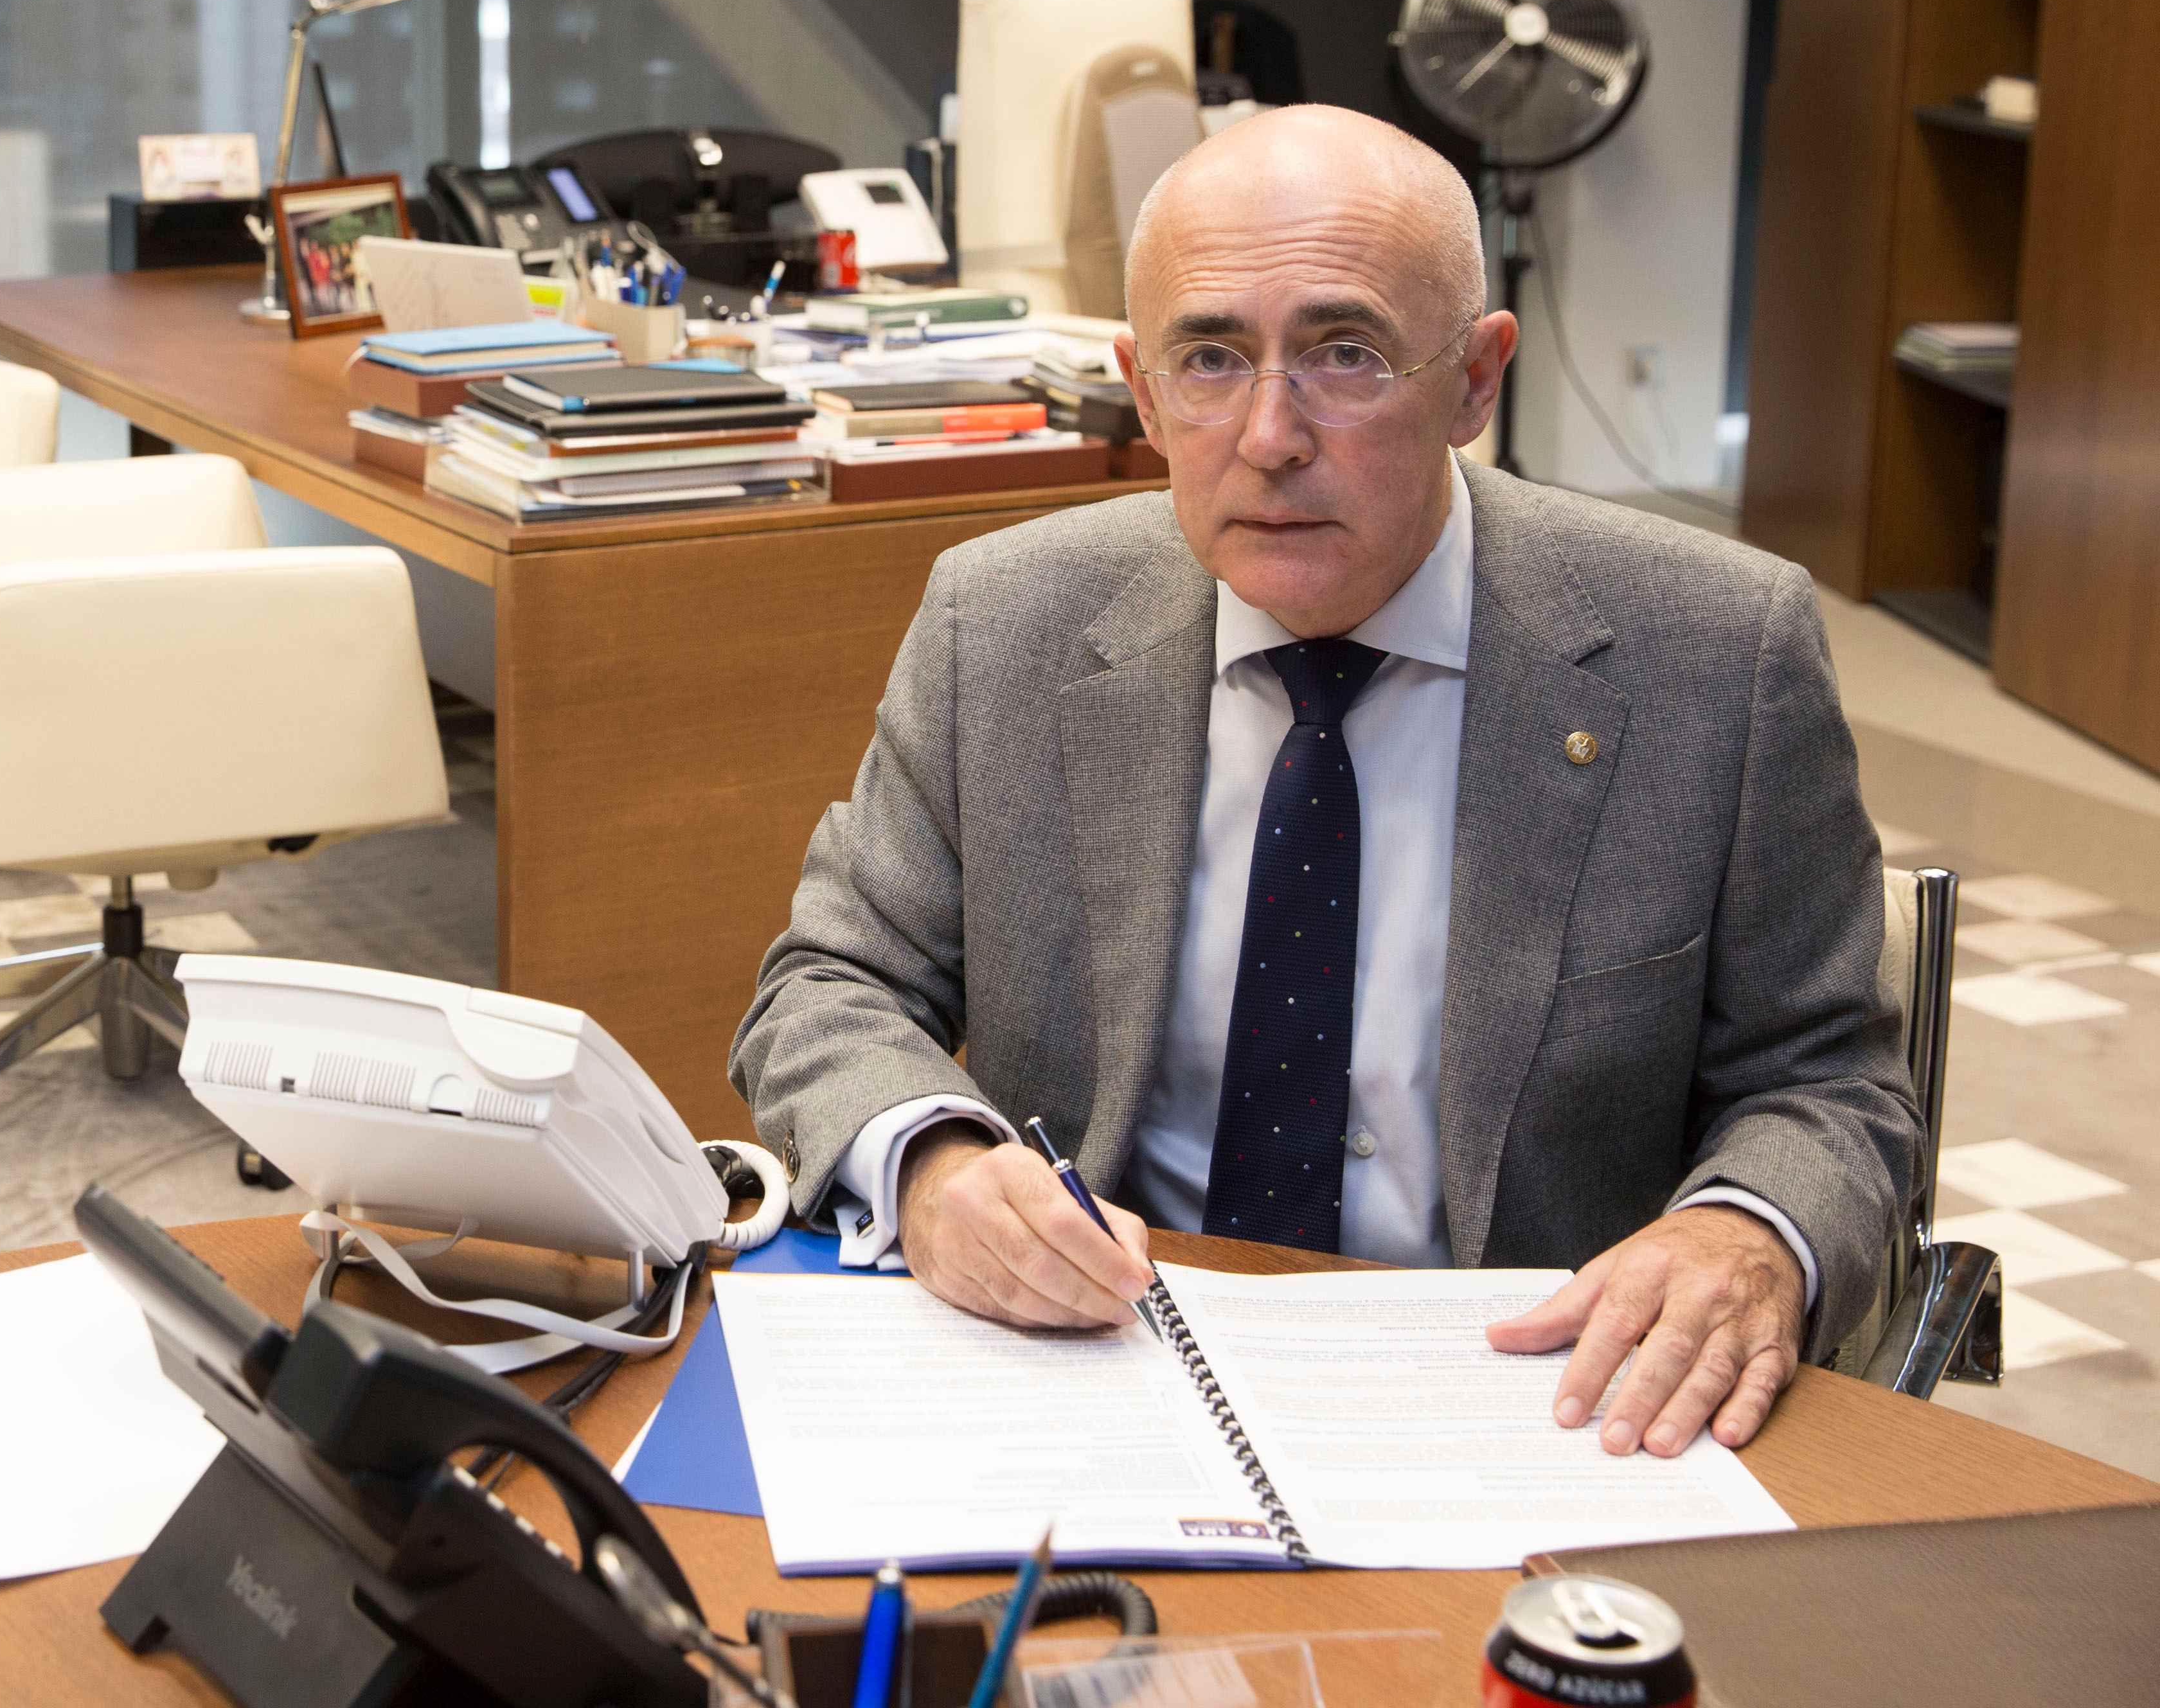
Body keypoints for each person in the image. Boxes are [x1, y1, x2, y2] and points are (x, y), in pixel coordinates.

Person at [733, 106, 1914, 1463]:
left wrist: (1744, 1234)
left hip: (1543, 1399)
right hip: (1099, 1364)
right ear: (1142, 391)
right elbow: (830, 981)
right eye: (1209, 359)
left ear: (1477, 380)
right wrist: (933, 1167)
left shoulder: (1714, 651)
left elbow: (1832, 1084)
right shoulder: (1002, 622)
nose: (1270, 435)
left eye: (1345, 355)